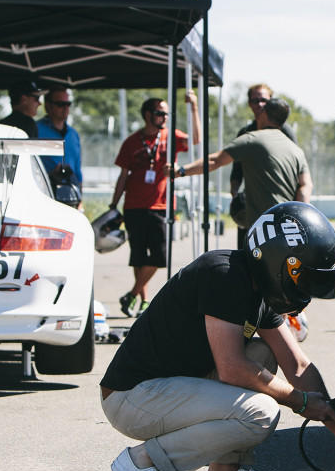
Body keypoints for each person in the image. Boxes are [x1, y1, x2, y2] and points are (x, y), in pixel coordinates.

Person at [100, 202, 335, 471]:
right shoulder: (225, 275)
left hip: (166, 387)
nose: (305, 289)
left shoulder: (257, 285)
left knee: (262, 353)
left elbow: (297, 365)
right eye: (302, 276)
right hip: (132, 397)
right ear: (278, 263)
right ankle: (145, 463)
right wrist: (299, 401)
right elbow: (232, 368)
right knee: (261, 412)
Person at [109, 92, 202, 317]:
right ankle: (143, 300)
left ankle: (131, 294)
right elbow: (123, 175)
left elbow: (196, 140)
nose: (165, 117)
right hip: (133, 206)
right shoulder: (131, 142)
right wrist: (114, 204)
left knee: (160, 256)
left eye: (167, 113)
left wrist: (194, 108)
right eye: (161, 113)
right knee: (138, 257)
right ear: (147, 115)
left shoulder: (171, 137)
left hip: (161, 206)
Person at [175, 97, 311, 230]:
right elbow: (305, 186)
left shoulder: (252, 139)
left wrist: (180, 171)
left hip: (263, 228)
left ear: (263, 113)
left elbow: (215, 160)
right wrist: (297, 219)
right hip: (287, 226)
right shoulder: (296, 150)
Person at [229, 84, 298, 248]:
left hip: (280, 207)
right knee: (247, 256)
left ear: (271, 104)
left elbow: (298, 171)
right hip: (252, 206)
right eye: (255, 100)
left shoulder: (284, 131)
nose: (259, 104)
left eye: (263, 100)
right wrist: (235, 196)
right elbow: (236, 170)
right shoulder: (246, 132)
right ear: (249, 103)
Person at [37, 86, 83, 192]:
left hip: (70, 194)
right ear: (48, 106)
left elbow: (77, 170)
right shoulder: (36, 131)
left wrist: (80, 196)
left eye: (68, 104)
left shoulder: (73, 134)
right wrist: (51, 174)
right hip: (45, 192)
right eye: (61, 104)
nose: (65, 108)